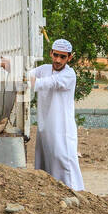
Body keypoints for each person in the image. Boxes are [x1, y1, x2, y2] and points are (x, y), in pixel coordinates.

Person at [28, 38, 84, 190]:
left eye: (63, 57)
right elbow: (26, 76)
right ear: (51, 53)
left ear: (69, 57)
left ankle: (74, 192)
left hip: (62, 128)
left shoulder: (69, 74)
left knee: (63, 159)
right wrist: (11, 69)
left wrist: (29, 80)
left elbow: (49, 83)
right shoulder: (44, 69)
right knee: (45, 159)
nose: (58, 60)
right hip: (45, 127)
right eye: (56, 55)